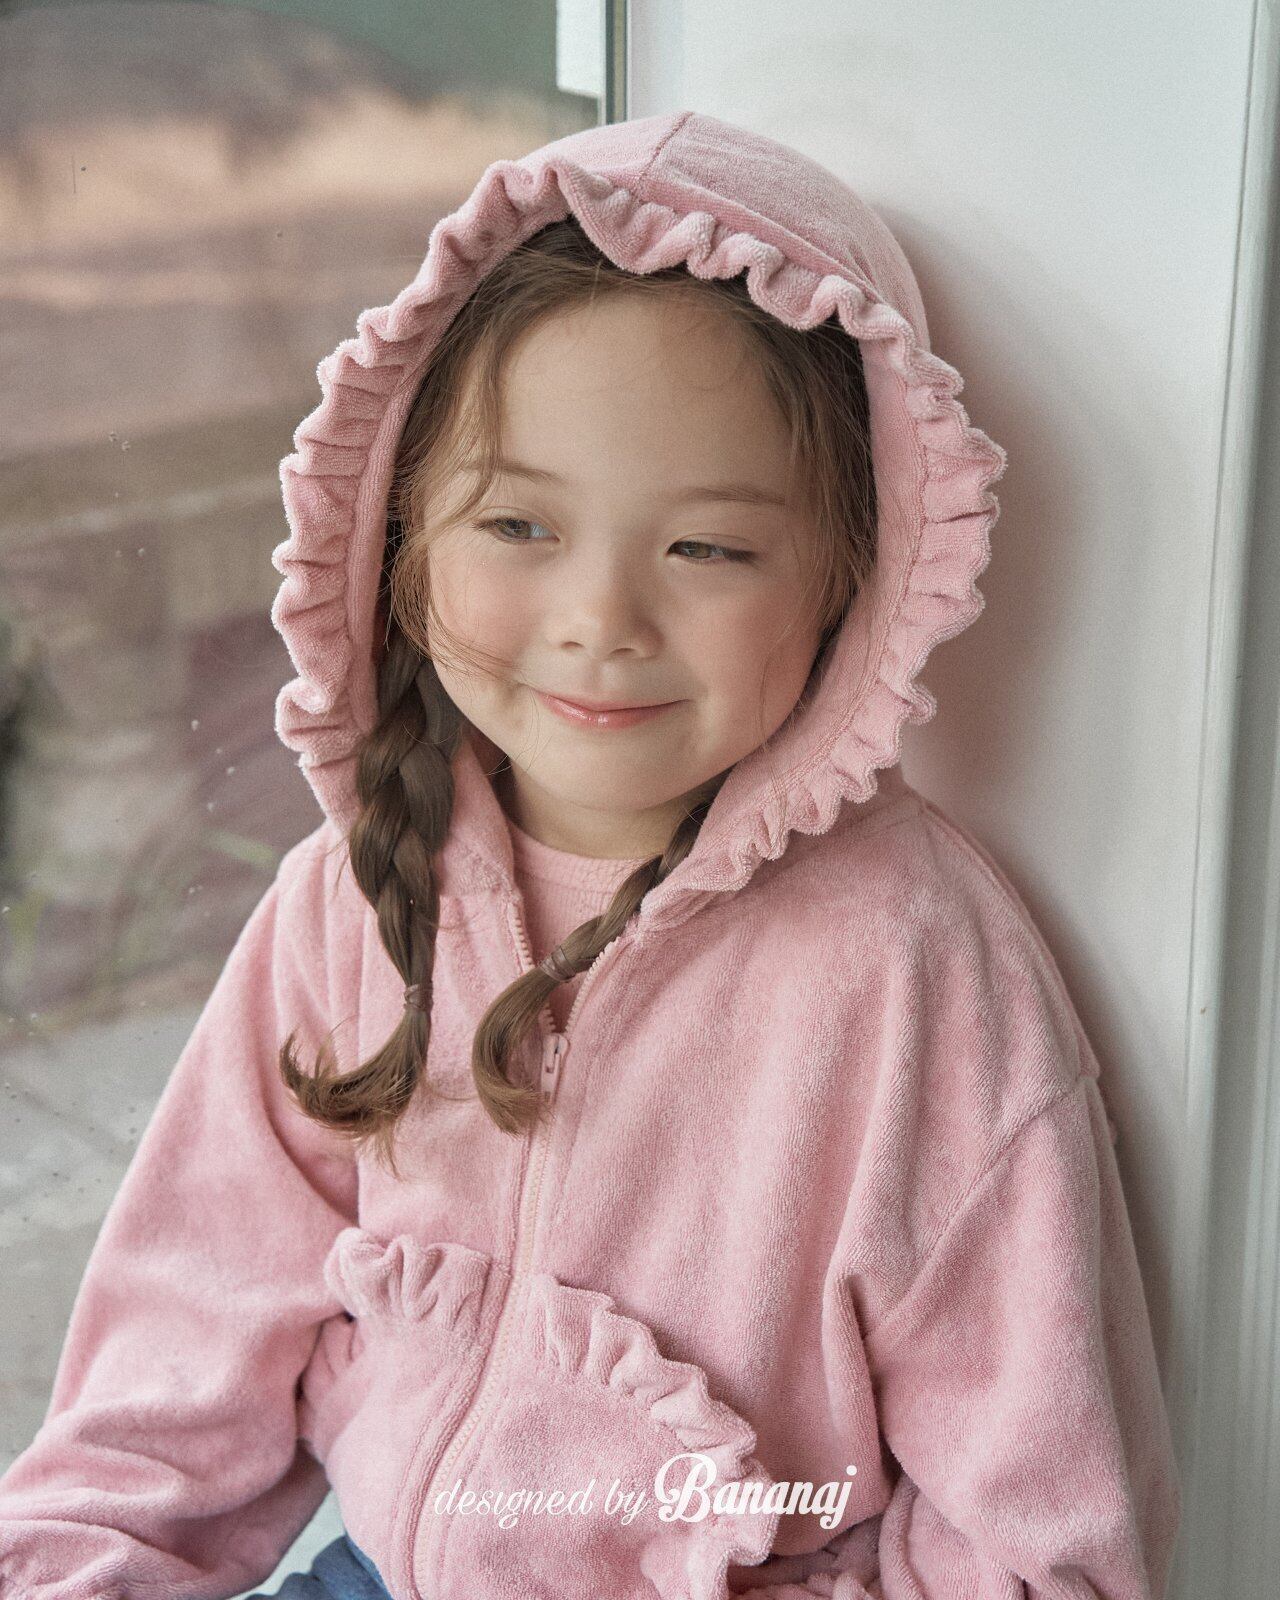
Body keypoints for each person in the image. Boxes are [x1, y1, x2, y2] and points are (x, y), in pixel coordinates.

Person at [0, 110, 1180, 1600]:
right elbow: (166, 1373)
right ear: (400, 534)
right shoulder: (354, 896)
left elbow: (1040, 1540)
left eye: (709, 549)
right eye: (516, 524)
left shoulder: (914, 967)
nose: (601, 620)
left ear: (852, 577)